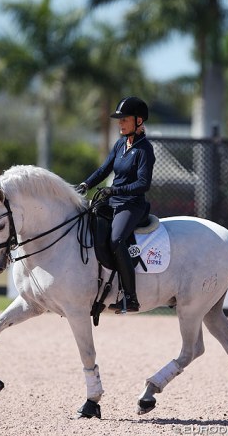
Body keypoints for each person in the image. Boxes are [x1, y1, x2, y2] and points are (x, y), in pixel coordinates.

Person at [76, 96, 156, 313]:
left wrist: (115, 190)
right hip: (112, 201)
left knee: (116, 238)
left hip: (132, 205)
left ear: (139, 121)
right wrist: (85, 184)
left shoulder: (144, 150)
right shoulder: (120, 144)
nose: (120, 123)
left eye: (124, 120)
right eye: (119, 120)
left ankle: (131, 297)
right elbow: (104, 170)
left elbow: (143, 184)